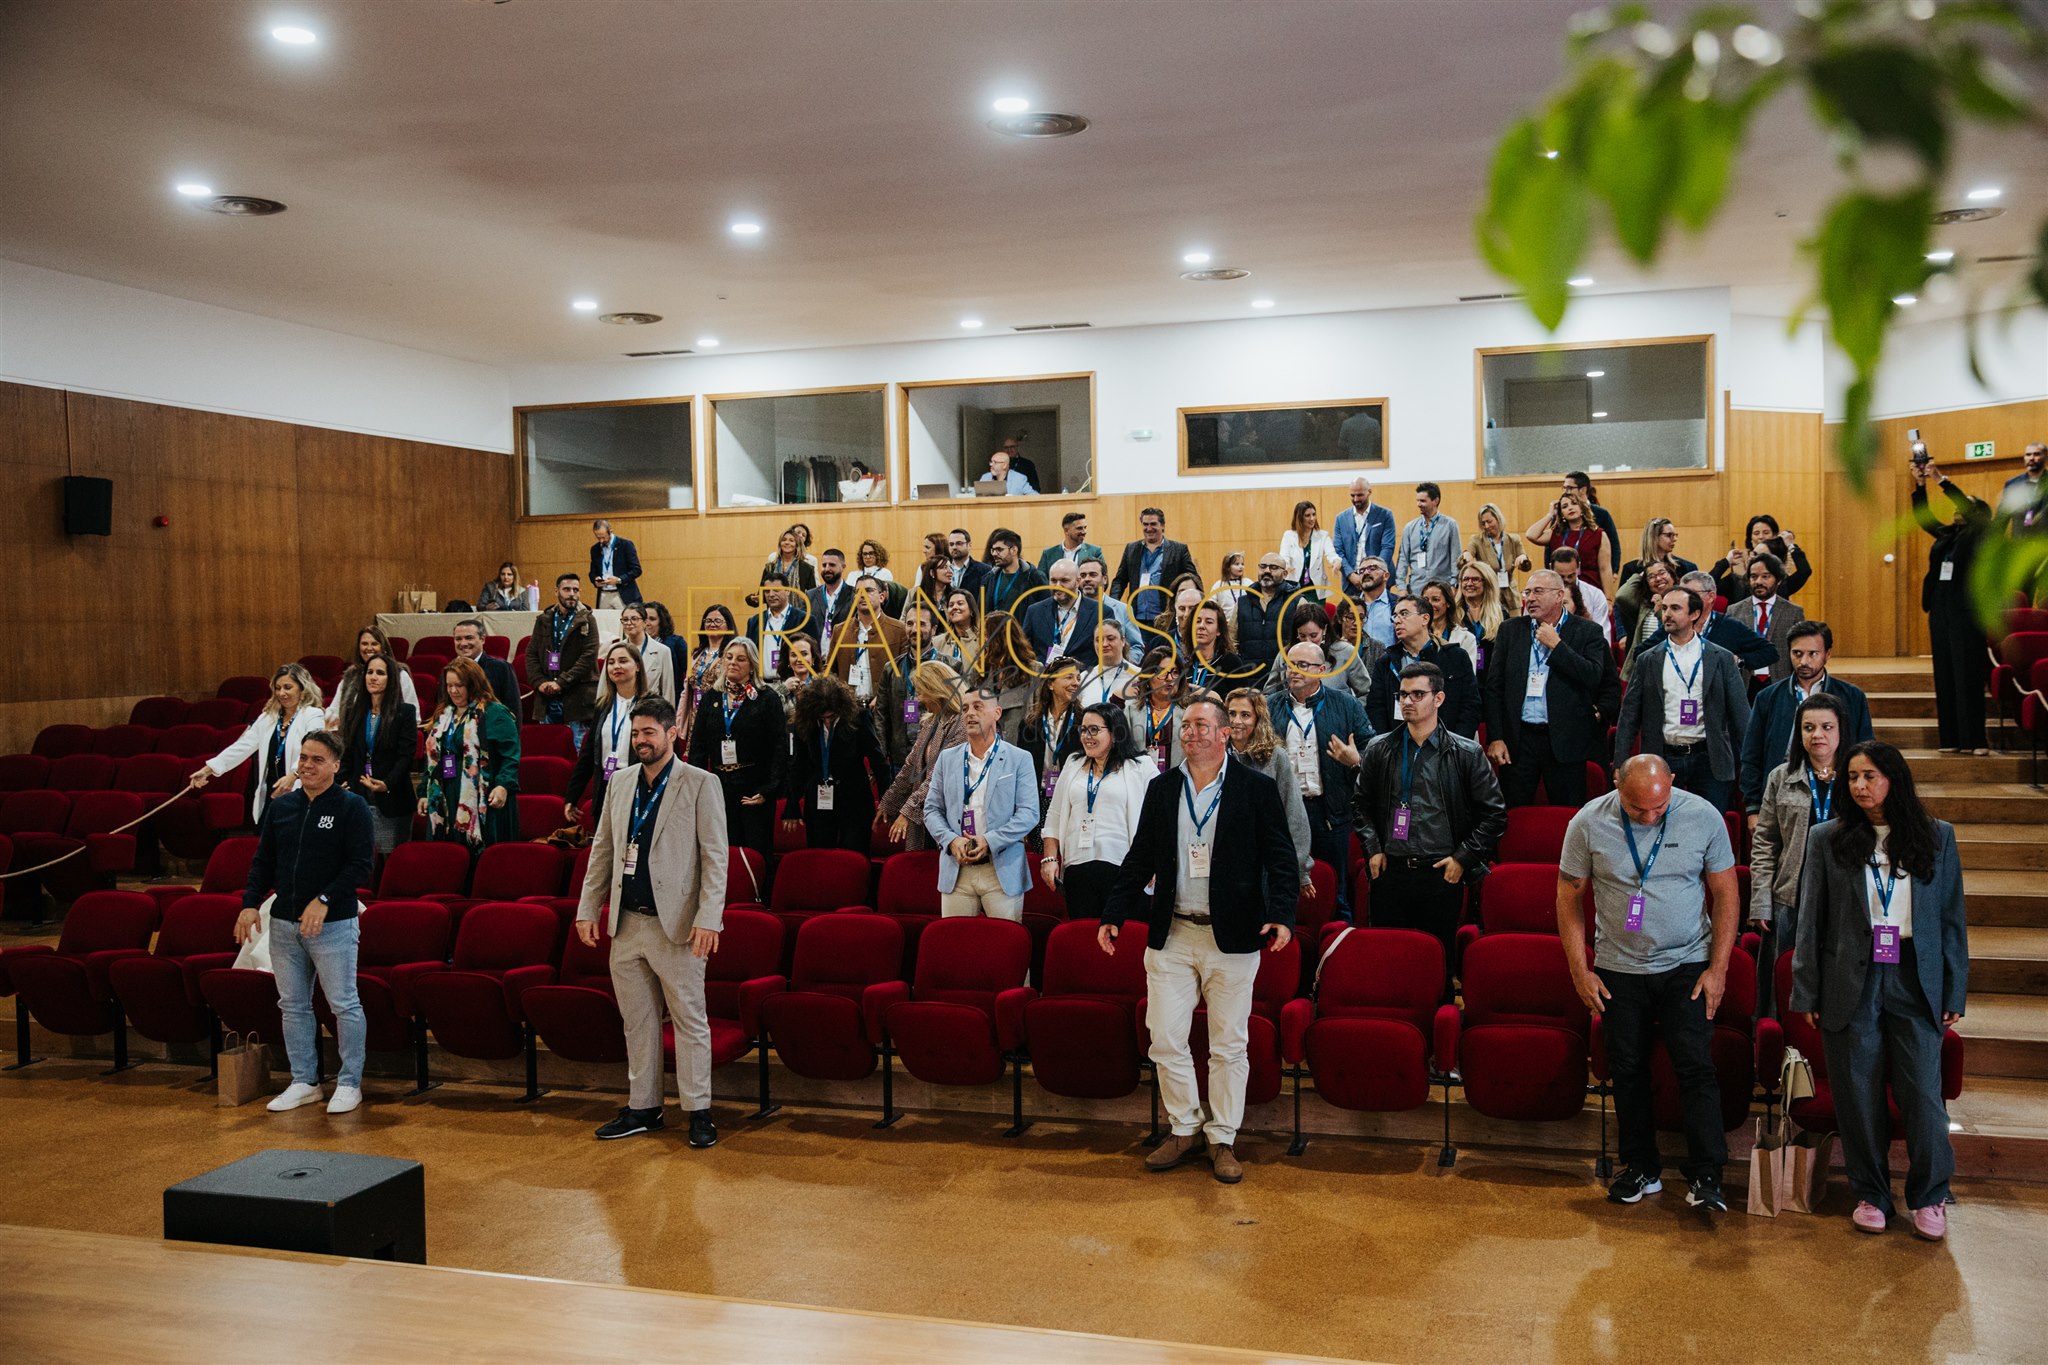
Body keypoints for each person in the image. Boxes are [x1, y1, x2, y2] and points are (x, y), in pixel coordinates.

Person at [1099, 695, 1297, 1184]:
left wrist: (1282, 915)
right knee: (1165, 1038)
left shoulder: (1255, 788)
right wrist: (1115, 912)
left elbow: (1281, 858)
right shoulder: (1164, 787)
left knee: (1228, 1045)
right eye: (1185, 725)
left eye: (1201, 725)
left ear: (1226, 733)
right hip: (1173, 933)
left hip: (1233, 936)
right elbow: (1140, 855)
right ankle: (1185, 1127)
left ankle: (1223, 1137)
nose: (1190, 732)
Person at [1792, 741, 1969, 1238]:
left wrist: (1954, 989)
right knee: (1856, 1091)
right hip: (1851, 975)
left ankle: (1930, 1196)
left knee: (1923, 1094)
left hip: (1916, 973)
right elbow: (1810, 920)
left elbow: (1951, 918)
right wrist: (1806, 991)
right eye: (1852, 777)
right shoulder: (1828, 838)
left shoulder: (1937, 836)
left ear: (1894, 779)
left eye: (1870, 776)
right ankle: (1870, 1193)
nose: (1859, 786)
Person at [1558, 754, 1739, 1212]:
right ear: (1617, 784)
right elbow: (1568, 898)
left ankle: (1707, 1173)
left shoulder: (1703, 816)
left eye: (1659, 807)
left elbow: (1726, 894)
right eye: (1637, 808)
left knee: (1695, 1066)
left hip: (1687, 962)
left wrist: (1718, 970)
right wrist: (1580, 970)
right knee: (1628, 1068)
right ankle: (1640, 1167)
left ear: (1672, 783)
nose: (1650, 817)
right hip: (1619, 966)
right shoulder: (1587, 822)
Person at [576, 696, 728, 1149]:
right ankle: (644, 1108)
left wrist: (710, 918)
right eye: (636, 733)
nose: (641, 740)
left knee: (689, 1021)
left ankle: (698, 1110)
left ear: (671, 733)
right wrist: (588, 908)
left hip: (677, 924)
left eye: (649, 732)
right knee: (637, 1021)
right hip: (627, 922)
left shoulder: (700, 783)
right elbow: (603, 849)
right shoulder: (620, 782)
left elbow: (715, 858)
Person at [235, 729, 374, 1115]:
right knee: (292, 1005)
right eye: (303, 758)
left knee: (343, 1004)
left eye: (317, 759)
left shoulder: (352, 807)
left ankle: (349, 1082)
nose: (307, 765)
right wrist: (249, 904)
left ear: (335, 765)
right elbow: (263, 862)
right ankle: (304, 1081)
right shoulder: (282, 807)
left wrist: (324, 900)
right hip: (283, 924)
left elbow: (361, 865)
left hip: (333, 925)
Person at [1356, 662, 1506, 992]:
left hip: (1440, 872)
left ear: (1438, 698)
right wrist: (1373, 849)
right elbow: (1360, 806)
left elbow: (1495, 815)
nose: (1407, 702)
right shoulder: (1380, 748)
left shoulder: (1466, 752)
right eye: (1402, 695)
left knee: (1436, 971)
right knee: (1390, 966)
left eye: (1417, 694)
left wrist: (1462, 858)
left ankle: (1439, 1020)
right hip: (1391, 871)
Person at [1481, 570, 1621, 810]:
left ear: (1559, 596)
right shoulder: (1510, 630)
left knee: (1569, 813)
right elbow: (1494, 688)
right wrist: (1496, 737)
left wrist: (1557, 646)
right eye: (1527, 592)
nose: (1530, 598)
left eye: (1538, 591)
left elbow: (1593, 676)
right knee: (1511, 812)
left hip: (1566, 741)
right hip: (1519, 741)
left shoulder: (1587, 631)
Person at [1750, 692, 1846, 1011]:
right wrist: (1761, 901)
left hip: (1843, 897)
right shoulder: (1781, 777)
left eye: (1826, 727)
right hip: (1790, 896)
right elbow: (1765, 843)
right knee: (1782, 988)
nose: (1817, 735)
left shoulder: (1856, 779)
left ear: (1841, 731)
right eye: (1808, 728)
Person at [1615, 587, 1750, 811]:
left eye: (1675, 608)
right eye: (1665, 608)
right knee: (1662, 822)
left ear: (1694, 614)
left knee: (1709, 823)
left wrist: (1750, 765)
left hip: (1709, 759)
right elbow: (1629, 715)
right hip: (1663, 757)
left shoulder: (1722, 658)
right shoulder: (1647, 659)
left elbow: (1741, 716)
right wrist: (1620, 762)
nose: (1667, 614)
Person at [1269, 639, 1369, 920]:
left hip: (1330, 811)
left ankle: (1337, 937)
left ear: (1322, 670)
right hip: (1283, 810)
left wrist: (1356, 761)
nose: (1293, 671)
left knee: (1336, 890)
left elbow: (1372, 752)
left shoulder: (1346, 705)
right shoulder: (1269, 706)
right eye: (1290, 664)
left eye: (1302, 665)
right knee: (1281, 884)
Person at [923, 685, 1040, 920]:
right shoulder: (947, 758)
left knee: (1005, 940)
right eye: (965, 708)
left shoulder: (1019, 758)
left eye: (978, 707)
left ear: (997, 713)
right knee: (956, 940)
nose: (970, 713)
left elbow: (1029, 814)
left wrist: (989, 841)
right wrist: (951, 840)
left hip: (1001, 868)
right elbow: (931, 809)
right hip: (957, 868)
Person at [1040, 703, 1160, 920]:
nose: (1086, 737)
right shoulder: (1073, 763)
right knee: (1084, 936)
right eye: (1083, 730)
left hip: (1125, 869)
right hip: (1077, 868)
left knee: (1124, 936)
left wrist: (1153, 862)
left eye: (1094, 730)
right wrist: (1049, 858)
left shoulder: (1141, 766)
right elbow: (1054, 815)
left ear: (1115, 733)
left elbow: (1159, 819)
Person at [1742, 621, 1873, 813]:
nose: (1803, 661)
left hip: (1837, 790)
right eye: (1797, 653)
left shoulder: (1852, 697)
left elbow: (1865, 750)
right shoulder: (1768, 698)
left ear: (1827, 654)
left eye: (1813, 654)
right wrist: (1753, 807)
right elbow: (1751, 755)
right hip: (1783, 790)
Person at [1913, 461, 1993, 753]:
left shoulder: (1980, 534)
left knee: (1967, 675)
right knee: (1944, 674)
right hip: (1940, 609)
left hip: (1966, 612)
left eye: (1965, 505)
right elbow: (1923, 518)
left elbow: (1968, 508)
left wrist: (1940, 479)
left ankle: (1975, 740)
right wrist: (1920, 485)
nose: (1957, 509)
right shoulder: (1947, 536)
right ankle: (1951, 739)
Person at [686, 639, 787, 866]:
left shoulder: (766, 698)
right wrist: (697, 787)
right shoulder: (712, 697)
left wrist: (768, 790)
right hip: (719, 786)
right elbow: (698, 747)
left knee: (755, 853)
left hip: (754, 788)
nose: (733, 663)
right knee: (721, 852)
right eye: (729, 657)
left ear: (752, 666)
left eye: (741, 659)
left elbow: (779, 748)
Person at [191, 664, 327, 825]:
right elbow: (241, 747)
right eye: (277, 688)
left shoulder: (313, 715)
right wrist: (207, 770)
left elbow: (313, 750)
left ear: (302, 689)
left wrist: (294, 775)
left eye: (287, 687)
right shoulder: (268, 717)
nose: (281, 693)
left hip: (298, 789)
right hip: (272, 792)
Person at [418, 657, 521, 847]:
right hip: (447, 791)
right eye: (449, 685)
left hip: (484, 794)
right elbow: (432, 758)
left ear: (474, 684)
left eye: (459, 685)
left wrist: (503, 785)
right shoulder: (444, 713)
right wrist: (425, 791)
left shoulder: (495, 712)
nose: (453, 691)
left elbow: (510, 756)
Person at [1222, 688, 1314, 898]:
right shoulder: (1216, 755)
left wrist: (1300, 869)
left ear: (1258, 719)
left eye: (1245, 715)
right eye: (1231, 713)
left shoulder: (1276, 757)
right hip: (1225, 860)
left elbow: (1294, 813)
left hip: (1265, 863)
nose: (1236, 721)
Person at [783, 674, 889, 852]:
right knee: (820, 855)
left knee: (854, 855)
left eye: (831, 717)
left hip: (854, 799)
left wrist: (886, 801)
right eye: (822, 718)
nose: (827, 721)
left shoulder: (859, 717)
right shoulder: (805, 721)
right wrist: (792, 805)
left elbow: (878, 761)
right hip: (819, 799)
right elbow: (798, 766)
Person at [880, 661, 968, 850]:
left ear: (937, 690)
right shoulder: (930, 722)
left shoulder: (962, 724)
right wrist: (888, 803)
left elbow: (939, 776)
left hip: (949, 817)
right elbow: (909, 768)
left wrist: (907, 812)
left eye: (921, 692)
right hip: (926, 815)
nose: (918, 700)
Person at [337, 652, 417, 859]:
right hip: (359, 794)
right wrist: (342, 780)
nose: (373, 677)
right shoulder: (355, 711)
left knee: (389, 859)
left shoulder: (404, 712)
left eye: (380, 673)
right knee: (362, 857)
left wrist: (387, 784)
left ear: (391, 679)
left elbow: (405, 757)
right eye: (370, 672)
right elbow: (348, 752)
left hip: (392, 795)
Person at [1366, 596, 1478, 737]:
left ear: (1425, 619)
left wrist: (1456, 744)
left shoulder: (1455, 657)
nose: (1397, 621)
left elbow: (1470, 706)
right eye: (1395, 616)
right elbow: (1376, 708)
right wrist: (1388, 744)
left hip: (1447, 742)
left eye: (1404, 614)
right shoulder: (1385, 662)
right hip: (1399, 744)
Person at [1638, 570, 1779, 676]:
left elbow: (1770, 652)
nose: (1686, 599)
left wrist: (1738, 660)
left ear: (1711, 596)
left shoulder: (1730, 627)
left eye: (1692, 594)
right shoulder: (1676, 624)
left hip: (1717, 698)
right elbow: (1640, 653)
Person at [566, 642, 647, 824]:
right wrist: (572, 797)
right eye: (611, 662)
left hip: (637, 785)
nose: (616, 666)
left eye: (623, 661)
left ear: (637, 667)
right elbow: (588, 754)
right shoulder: (603, 706)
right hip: (605, 785)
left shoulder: (651, 705)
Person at [525, 573, 600, 746]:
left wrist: (561, 682)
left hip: (578, 696)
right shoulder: (544, 619)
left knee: (578, 749)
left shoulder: (587, 620)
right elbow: (531, 654)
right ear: (556, 591)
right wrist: (539, 682)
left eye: (576, 590)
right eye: (567, 589)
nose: (572, 594)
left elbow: (589, 656)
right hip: (547, 695)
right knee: (550, 747)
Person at [1264, 601, 1373, 702]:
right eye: (1302, 636)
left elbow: (1366, 693)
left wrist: (1350, 713)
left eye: (1313, 636)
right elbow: (1268, 694)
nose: (1308, 642)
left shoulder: (1345, 652)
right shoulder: (1286, 654)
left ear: (1324, 630)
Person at [827, 575, 908, 708]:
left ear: (882, 597)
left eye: (869, 590)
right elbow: (830, 671)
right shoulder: (840, 630)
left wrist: (884, 696)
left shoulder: (899, 630)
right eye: (858, 592)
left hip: (884, 707)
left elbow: (906, 673)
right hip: (849, 707)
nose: (862, 595)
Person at [1724, 552, 1804, 685]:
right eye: (1754, 577)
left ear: (1778, 580)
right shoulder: (1734, 611)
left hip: (1779, 682)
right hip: (1745, 683)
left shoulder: (1793, 612)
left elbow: (1799, 652)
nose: (1758, 582)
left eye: (1765, 576)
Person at [879, 601, 942, 767]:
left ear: (934, 629)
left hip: (937, 758)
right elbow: (881, 715)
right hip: (899, 758)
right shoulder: (891, 669)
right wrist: (882, 753)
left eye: (921, 624)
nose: (914, 629)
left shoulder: (950, 667)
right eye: (909, 623)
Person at [1112, 506, 1200, 623]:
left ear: (1162, 525)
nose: (1149, 528)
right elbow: (1119, 580)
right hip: (1136, 618)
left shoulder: (1179, 550)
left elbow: (1194, 579)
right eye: (1145, 524)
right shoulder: (1131, 549)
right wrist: (1113, 604)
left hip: (1166, 618)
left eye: (1153, 524)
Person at [1020, 656, 1085, 808]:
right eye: (1069, 677)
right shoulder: (1030, 724)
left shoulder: (1084, 721)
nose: (1076, 683)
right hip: (1037, 799)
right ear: (1050, 684)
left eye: (1078, 678)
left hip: (1072, 800)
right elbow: (1022, 770)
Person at [327, 625, 420, 727]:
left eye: (374, 644)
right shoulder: (350, 676)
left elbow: (414, 716)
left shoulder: (400, 675)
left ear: (383, 648)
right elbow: (334, 709)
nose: (369, 648)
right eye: (364, 644)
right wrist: (330, 718)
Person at [1711, 514, 1815, 601]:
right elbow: (1708, 586)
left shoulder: (1780, 583)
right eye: (1754, 554)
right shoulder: (1735, 581)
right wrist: (1726, 562)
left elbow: (1804, 571)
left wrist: (1790, 545)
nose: (1761, 537)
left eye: (1763, 557)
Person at [1021, 560, 1100, 670]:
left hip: (1083, 678)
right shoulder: (1034, 611)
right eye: (1053, 580)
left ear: (1078, 581)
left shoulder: (1100, 612)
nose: (1058, 586)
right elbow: (1024, 651)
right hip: (1044, 678)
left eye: (1064, 581)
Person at [1527, 487, 1607, 590]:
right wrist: (1550, 515)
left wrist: (1608, 597)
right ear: (1562, 514)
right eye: (1565, 506)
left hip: (1589, 587)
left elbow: (1605, 569)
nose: (1570, 508)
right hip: (1561, 588)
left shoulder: (1597, 534)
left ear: (1582, 508)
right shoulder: (1557, 533)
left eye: (1574, 504)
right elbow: (1531, 535)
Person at [1231, 553, 1295, 677]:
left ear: (1285, 574)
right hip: (1249, 678)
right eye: (1263, 567)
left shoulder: (1297, 602)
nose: (1267, 571)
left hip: (1284, 677)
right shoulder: (1242, 603)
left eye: (1273, 567)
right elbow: (1231, 640)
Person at [1333, 478, 1397, 596]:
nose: (1356, 499)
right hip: (1351, 582)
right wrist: (1350, 574)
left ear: (1369, 492)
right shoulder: (1341, 518)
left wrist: (1374, 573)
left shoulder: (1385, 515)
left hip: (1379, 580)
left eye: (1360, 495)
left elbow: (1387, 547)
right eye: (1352, 495)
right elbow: (1338, 550)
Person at [1393, 482, 1460, 595]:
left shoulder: (1450, 525)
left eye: (1423, 501)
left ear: (1435, 501)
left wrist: (1454, 585)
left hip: (1442, 589)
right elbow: (1403, 559)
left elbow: (1455, 558)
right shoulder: (1410, 528)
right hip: (1416, 590)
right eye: (1417, 500)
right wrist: (1401, 587)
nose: (1418, 504)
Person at [1128, 645, 1188, 770]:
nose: (1170, 678)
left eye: (1175, 672)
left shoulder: (1188, 712)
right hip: (1139, 778)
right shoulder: (1131, 710)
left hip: (1177, 778)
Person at [743, 570, 808, 680]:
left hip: (794, 683)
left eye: (776, 590)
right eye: (767, 591)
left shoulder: (804, 620)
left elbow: (813, 656)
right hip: (761, 685)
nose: (771, 595)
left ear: (787, 591)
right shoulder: (754, 622)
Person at [451, 618, 519, 719]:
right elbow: (442, 707)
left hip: (492, 727)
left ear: (482, 639)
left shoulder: (501, 668)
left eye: (469, 638)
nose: (463, 643)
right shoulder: (449, 670)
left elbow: (513, 708)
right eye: (458, 639)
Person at [1465, 502, 1532, 599]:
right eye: (1483, 523)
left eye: (1489, 521)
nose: (1486, 526)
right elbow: (1466, 556)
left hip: (1511, 594)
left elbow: (1526, 567)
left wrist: (1523, 558)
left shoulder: (1514, 539)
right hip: (1488, 593)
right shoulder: (1476, 540)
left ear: (1498, 519)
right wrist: (1466, 555)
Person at [1279, 500, 1343, 602]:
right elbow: (1283, 557)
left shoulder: (1323, 535)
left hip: (1316, 588)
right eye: (1307, 515)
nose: (1312, 518)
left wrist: (1336, 561)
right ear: (1299, 517)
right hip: (1294, 586)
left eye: (1314, 514)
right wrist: (1287, 566)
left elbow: (1331, 554)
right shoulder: (1289, 536)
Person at [1617, 561, 1679, 664]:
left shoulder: (1682, 603)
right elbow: (1621, 596)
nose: (1658, 579)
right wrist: (1639, 575)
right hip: (1644, 662)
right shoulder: (1644, 605)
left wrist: (1660, 611)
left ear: (1672, 576)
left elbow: (1670, 632)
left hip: (1670, 661)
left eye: (1662, 573)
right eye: (1651, 577)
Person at [1078, 557, 1144, 652]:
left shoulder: (1123, 610)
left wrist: (1122, 661)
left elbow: (1136, 647)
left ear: (1104, 579)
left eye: (1093, 575)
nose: (1087, 579)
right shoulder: (1072, 608)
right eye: (1083, 576)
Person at [1182, 599, 1246, 694]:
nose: (1201, 626)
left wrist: (1215, 698)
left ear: (1219, 630)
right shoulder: (1186, 666)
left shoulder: (1231, 663)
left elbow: (1241, 700)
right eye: (1197, 621)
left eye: (1209, 622)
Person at [980, 528, 1048, 618]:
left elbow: (1046, 610)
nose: (994, 554)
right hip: (995, 627)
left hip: (1023, 627)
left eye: (999, 549)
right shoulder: (988, 579)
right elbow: (981, 611)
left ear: (1014, 550)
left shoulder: (1035, 577)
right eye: (993, 550)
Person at [617, 602, 676, 703]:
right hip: (622, 706)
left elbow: (668, 691)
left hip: (650, 708)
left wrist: (668, 712)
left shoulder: (662, 651)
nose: (629, 623)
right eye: (625, 619)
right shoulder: (615, 649)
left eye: (634, 619)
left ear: (644, 622)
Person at [1418, 579, 1480, 675]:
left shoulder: (1467, 638)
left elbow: (1469, 676)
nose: (1430, 605)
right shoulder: (1414, 636)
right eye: (1425, 600)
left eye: (1436, 599)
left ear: (1448, 603)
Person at [1550, 547, 1611, 639]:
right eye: (1561, 576)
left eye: (1571, 576)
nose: (1566, 580)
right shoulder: (1539, 595)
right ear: (1551, 568)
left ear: (1578, 567)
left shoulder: (1595, 595)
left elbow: (1603, 637)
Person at [1619, 517, 1698, 587]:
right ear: (1654, 537)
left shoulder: (1687, 568)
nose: (1674, 539)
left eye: (1674, 535)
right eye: (1669, 535)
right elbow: (1622, 598)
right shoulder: (1631, 569)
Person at [1077, 620, 1139, 709]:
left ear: (1123, 641)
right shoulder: (1083, 678)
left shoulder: (1138, 676)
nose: (1104, 644)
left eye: (1110, 639)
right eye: (1098, 640)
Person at [1455, 562, 1508, 665]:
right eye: (1465, 579)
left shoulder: (1502, 615)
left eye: (1475, 579)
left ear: (1487, 583)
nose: (1469, 583)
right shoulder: (1452, 614)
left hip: (1491, 671)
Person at [806, 549, 856, 654]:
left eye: (832, 565)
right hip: (817, 657)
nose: (827, 569)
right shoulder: (810, 595)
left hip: (844, 655)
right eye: (824, 565)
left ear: (843, 567)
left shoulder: (853, 595)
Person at [589, 519, 643, 608]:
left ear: (610, 530)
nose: (601, 541)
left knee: (626, 616)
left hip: (623, 593)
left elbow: (636, 570)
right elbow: (592, 572)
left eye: (604, 537)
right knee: (602, 617)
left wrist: (619, 580)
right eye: (598, 538)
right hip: (604, 594)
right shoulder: (595, 549)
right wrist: (595, 579)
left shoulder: (626, 545)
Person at [1038, 510, 1106, 576]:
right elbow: (1040, 580)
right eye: (1079, 528)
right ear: (1066, 530)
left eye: (1085, 527)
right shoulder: (1048, 554)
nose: (1084, 532)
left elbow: (1103, 579)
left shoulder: (1094, 552)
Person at [935, 586, 983, 679]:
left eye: (960, 603)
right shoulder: (937, 642)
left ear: (972, 610)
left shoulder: (983, 640)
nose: (955, 607)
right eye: (951, 605)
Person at [1999, 441, 2048, 529]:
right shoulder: (2013, 484)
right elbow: (2002, 517)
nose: (2031, 458)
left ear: (2046, 457)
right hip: (2020, 536)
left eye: (2036, 454)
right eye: (2028, 455)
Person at [1351, 554, 1395, 650]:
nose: (1366, 573)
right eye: (1361, 571)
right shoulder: (1349, 605)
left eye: (1372, 568)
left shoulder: (1397, 605)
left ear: (1386, 576)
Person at [763, 528, 818, 594]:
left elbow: (813, 595)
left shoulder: (807, 568)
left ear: (797, 545)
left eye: (791, 540)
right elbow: (762, 592)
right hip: (773, 600)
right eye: (784, 540)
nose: (787, 542)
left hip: (798, 601)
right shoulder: (770, 567)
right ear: (780, 544)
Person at [944, 528, 993, 594]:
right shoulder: (942, 570)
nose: (954, 547)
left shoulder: (985, 570)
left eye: (959, 543)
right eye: (951, 544)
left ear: (969, 545)